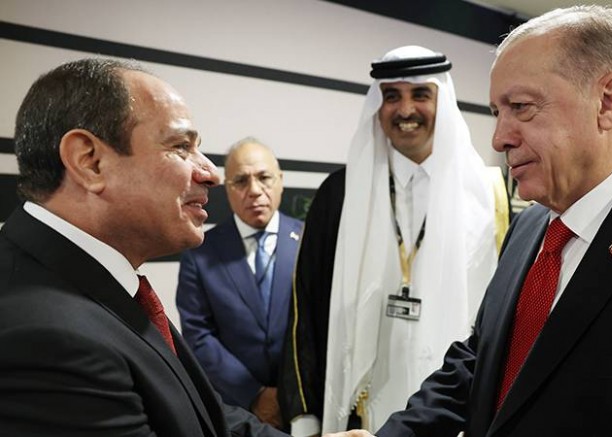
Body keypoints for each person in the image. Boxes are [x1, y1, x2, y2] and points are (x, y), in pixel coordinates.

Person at [327, 6, 612, 437]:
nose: (499, 138)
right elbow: (482, 359)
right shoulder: (527, 229)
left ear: (607, 102)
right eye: (497, 112)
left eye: (522, 106)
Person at [0, 58, 287, 437]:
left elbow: (198, 413)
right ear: (90, 162)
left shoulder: (93, 282)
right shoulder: (43, 337)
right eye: (181, 146)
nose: (210, 174)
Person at [279, 45, 508, 435]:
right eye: (391, 96)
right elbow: (306, 309)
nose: (405, 110)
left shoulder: (487, 195)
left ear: (442, 100)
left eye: (420, 94)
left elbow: (499, 320)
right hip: (359, 418)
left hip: (453, 416)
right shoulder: (341, 194)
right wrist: (304, 419)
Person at [177, 137, 303, 429]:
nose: (255, 190)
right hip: (236, 411)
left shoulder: (310, 241)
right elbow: (198, 335)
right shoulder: (201, 252)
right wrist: (254, 394)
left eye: (264, 178)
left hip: (306, 406)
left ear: (281, 180)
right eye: (241, 181)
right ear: (227, 188)